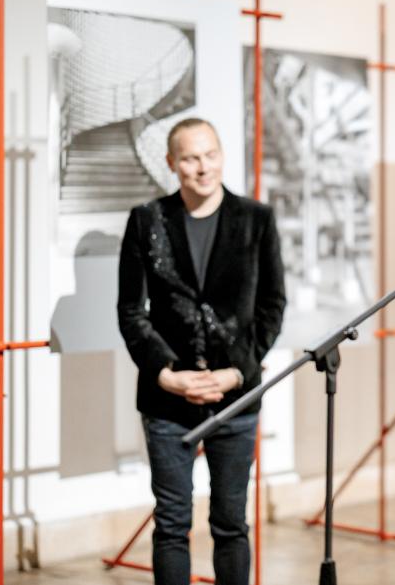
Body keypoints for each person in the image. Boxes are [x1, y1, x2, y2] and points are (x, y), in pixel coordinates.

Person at [118, 117, 286, 585]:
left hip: (236, 398)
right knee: (171, 524)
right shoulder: (146, 219)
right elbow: (131, 311)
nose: (203, 167)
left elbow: (272, 307)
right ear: (172, 164)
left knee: (231, 523)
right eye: (191, 158)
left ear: (222, 156)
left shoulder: (256, 219)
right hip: (167, 400)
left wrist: (237, 372)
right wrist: (165, 373)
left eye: (210, 154)